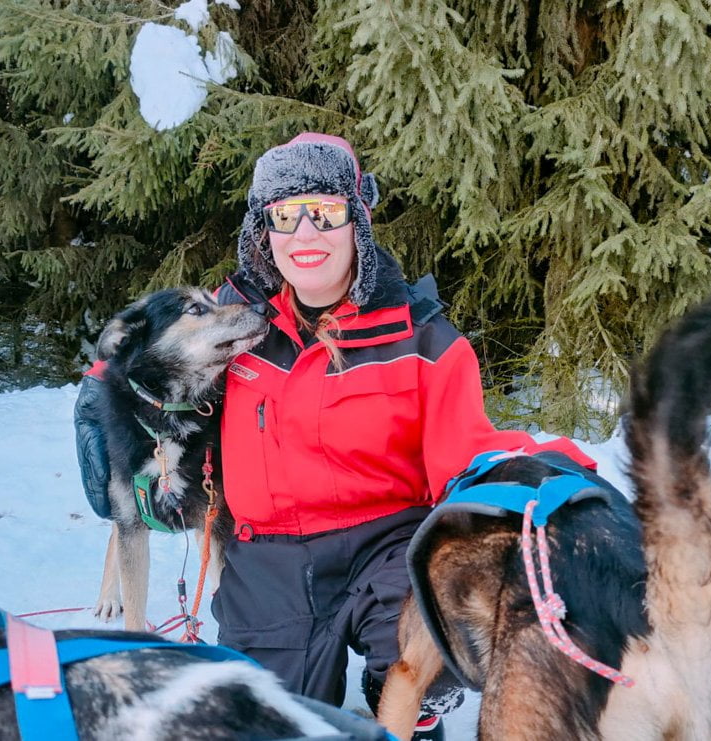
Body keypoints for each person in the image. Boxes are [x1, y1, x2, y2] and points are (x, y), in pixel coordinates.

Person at [76, 132, 598, 739]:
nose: (305, 234)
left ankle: (410, 704)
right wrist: (107, 427)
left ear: (358, 222)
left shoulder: (421, 338)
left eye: (325, 212)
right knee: (262, 716)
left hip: (388, 544)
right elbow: (138, 363)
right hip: (268, 554)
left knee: (421, 648)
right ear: (262, 231)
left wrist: (551, 473)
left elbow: (467, 454)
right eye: (284, 216)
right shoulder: (230, 321)